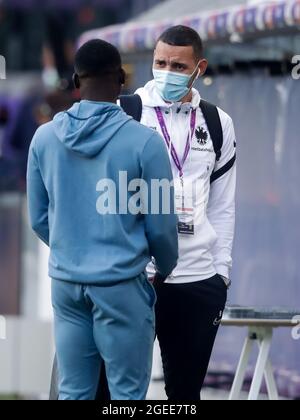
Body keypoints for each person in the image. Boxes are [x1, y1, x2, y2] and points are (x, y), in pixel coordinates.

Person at [27, 39, 178, 400]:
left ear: (76, 82)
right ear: (121, 81)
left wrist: (73, 249)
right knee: (127, 395)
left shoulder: (44, 139)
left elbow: (38, 218)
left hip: (65, 285)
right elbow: (160, 227)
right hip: (122, 284)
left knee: (73, 391)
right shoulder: (145, 144)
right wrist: (164, 269)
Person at [134, 25, 236, 400]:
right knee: (120, 393)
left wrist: (221, 272)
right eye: (160, 63)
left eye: (178, 66)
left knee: (185, 396)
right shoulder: (128, 112)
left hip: (198, 279)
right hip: (137, 277)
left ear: (199, 68)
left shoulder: (217, 122)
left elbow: (224, 205)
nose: (166, 72)